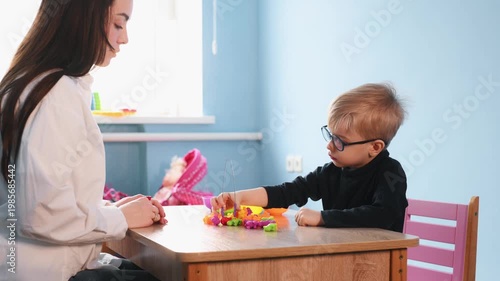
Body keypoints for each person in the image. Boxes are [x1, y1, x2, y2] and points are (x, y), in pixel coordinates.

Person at [0, 1, 166, 280]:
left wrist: (113, 210)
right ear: (84, 18)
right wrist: (121, 219)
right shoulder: (55, 95)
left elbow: (45, 194)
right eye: (118, 23)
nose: (124, 37)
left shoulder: (33, 83)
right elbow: (40, 214)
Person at [211, 83, 408, 232]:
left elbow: (382, 215)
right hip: (342, 256)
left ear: (374, 147)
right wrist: (240, 197)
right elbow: (288, 192)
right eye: (330, 135)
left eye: (340, 141)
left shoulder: (390, 172)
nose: (329, 145)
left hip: (377, 262)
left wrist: (323, 218)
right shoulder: (331, 172)